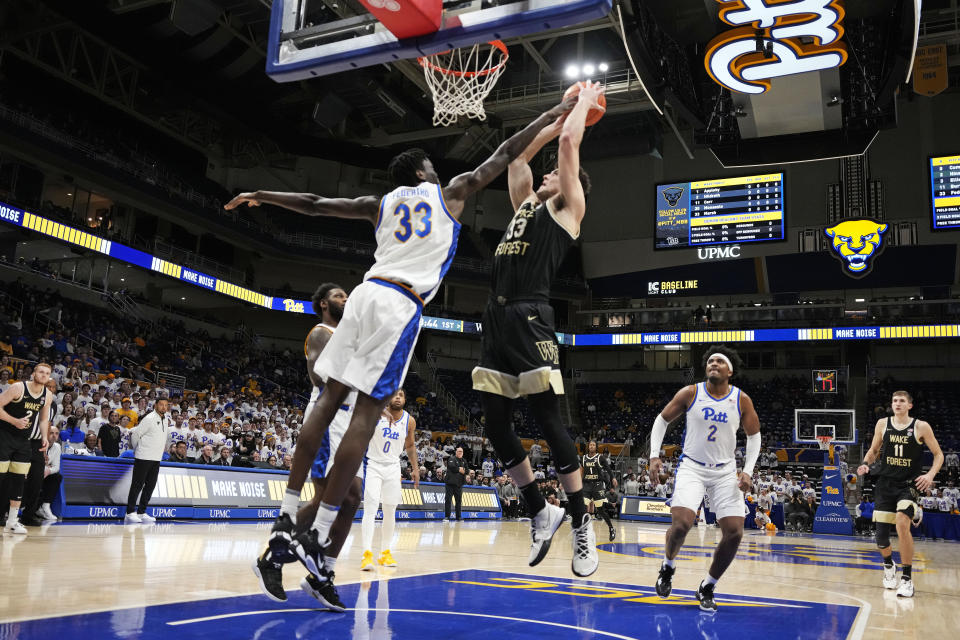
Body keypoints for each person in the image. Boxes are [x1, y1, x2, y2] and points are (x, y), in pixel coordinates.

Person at [227, 96, 578, 584]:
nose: (437, 172)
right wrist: (553, 116)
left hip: (367, 289)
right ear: (421, 173)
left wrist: (263, 195)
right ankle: (319, 529)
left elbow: (314, 205)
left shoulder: (378, 205)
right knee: (367, 414)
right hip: (399, 304)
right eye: (431, 167)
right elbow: (504, 153)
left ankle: (288, 517)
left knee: (329, 399)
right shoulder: (448, 193)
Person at [470, 80, 604, 578]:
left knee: (549, 423)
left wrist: (583, 107)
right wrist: (552, 121)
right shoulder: (525, 205)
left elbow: (570, 146)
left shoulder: (569, 208)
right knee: (494, 426)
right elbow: (517, 161)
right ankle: (539, 512)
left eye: (557, 175)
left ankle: (581, 524)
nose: (548, 175)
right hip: (496, 317)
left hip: (531, 315)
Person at [253, 283, 363, 612]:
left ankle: (322, 573)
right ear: (323, 304)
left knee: (351, 498)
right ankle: (272, 558)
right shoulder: (321, 332)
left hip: (350, 421)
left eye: (347, 295)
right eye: (339, 296)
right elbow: (320, 376)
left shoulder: (347, 336)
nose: (345, 299)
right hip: (328, 419)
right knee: (333, 496)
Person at [649, 347, 761, 613]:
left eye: (720, 361)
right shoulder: (691, 392)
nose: (713, 364)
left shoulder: (741, 399)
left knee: (734, 532)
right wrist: (654, 455)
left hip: (724, 471)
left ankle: (708, 586)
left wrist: (748, 470)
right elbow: (662, 420)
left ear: (730, 371)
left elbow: (754, 436)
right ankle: (668, 566)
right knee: (681, 525)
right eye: (710, 361)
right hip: (692, 467)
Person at [857, 390, 943, 598]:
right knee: (881, 537)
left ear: (909, 405)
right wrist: (865, 464)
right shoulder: (882, 424)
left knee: (902, 523)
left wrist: (930, 475)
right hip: (885, 484)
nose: (897, 403)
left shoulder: (921, 426)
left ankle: (907, 579)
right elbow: (873, 450)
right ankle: (889, 566)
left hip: (908, 485)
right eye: (895, 400)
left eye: (902, 401)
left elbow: (938, 454)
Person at [360, 389, 419, 570]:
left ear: (405, 399)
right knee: (370, 509)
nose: (398, 397)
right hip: (373, 465)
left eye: (401, 394)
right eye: (395, 394)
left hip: (393, 467)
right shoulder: (376, 414)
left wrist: (415, 468)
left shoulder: (409, 420)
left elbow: (409, 445)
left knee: (389, 510)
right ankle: (367, 554)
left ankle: (385, 553)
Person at [0, 363, 52, 534]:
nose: (44, 375)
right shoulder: (17, 388)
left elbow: (44, 420)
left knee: (19, 480)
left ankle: (12, 521)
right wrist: (14, 421)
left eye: (47, 373)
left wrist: (45, 437)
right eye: (41, 372)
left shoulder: (47, 395)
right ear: (33, 374)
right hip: (4, 436)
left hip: (24, 440)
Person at [124, 397, 170, 524]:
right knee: (137, 485)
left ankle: (142, 511)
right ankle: (130, 512)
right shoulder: (149, 418)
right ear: (156, 405)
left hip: (156, 458)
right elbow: (136, 434)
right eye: (161, 404)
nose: (164, 407)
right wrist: (137, 449)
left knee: (150, 486)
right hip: (143, 456)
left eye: (166, 405)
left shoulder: (166, 419)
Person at [582, 440, 616, 542]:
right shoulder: (583, 458)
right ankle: (583, 532)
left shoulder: (600, 458)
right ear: (588, 447)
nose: (591, 446)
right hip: (586, 485)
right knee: (583, 508)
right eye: (590, 445)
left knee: (601, 510)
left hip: (597, 485)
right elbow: (580, 471)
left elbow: (608, 469)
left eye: (593, 445)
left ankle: (611, 528)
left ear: (596, 447)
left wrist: (613, 478)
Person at [445, 446, 466, 520]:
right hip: (450, 484)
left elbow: (466, 470)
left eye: (461, 451)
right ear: (456, 452)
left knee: (459, 501)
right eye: (459, 451)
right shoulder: (452, 458)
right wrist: (459, 469)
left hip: (459, 485)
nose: (460, 453)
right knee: (448, 500)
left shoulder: (464, 460)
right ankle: (447, 516)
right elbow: (451, 467)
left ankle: (458, 517)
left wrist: (462, 469)